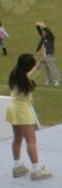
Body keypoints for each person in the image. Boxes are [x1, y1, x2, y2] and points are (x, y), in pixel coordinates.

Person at [6, 52, 51, 180]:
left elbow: (33, 72)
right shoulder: (25, 77)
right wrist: (41, 62)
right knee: (31, 141)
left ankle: (17, 166)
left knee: (17, 138)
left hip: (13, 107)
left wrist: (41, 61)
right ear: (27, 68)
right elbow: (34, 72)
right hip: (22, 110)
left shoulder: (15, 73)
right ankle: (36, 170)